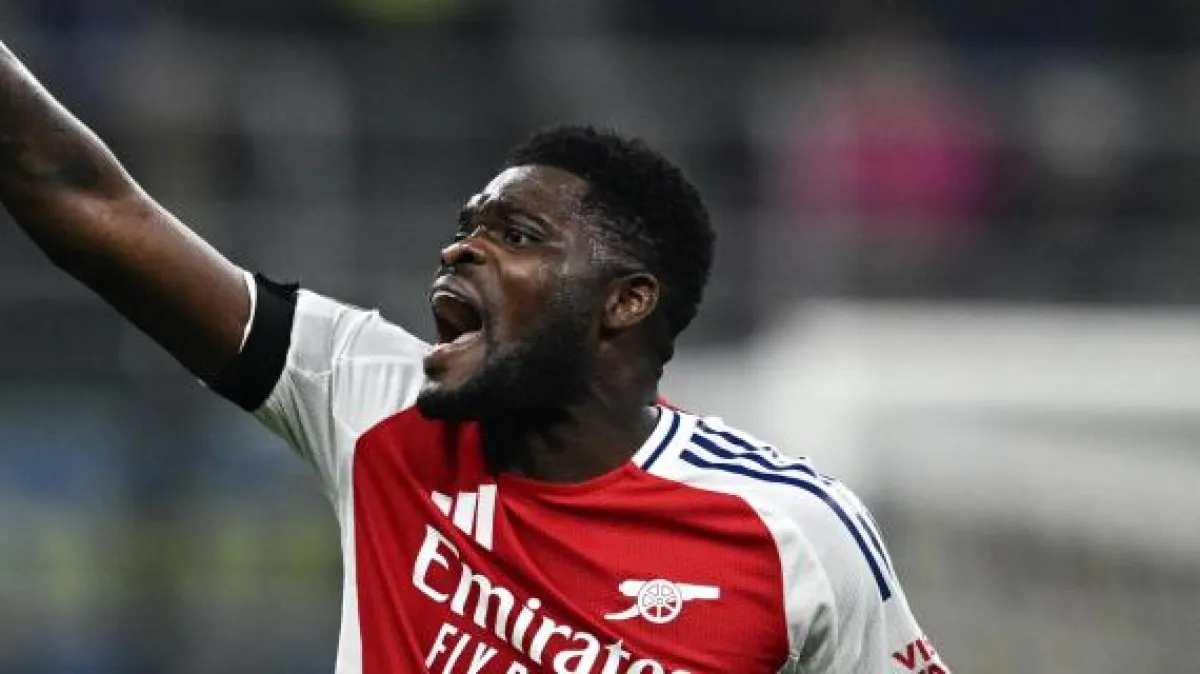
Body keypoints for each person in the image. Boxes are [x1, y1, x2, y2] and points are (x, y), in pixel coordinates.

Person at [0, 41, 950, 674]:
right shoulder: (373, 401)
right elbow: (82, 198)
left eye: (517, 234)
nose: (461, 249)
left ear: (625, 302)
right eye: (467, 227)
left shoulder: (792, 534)